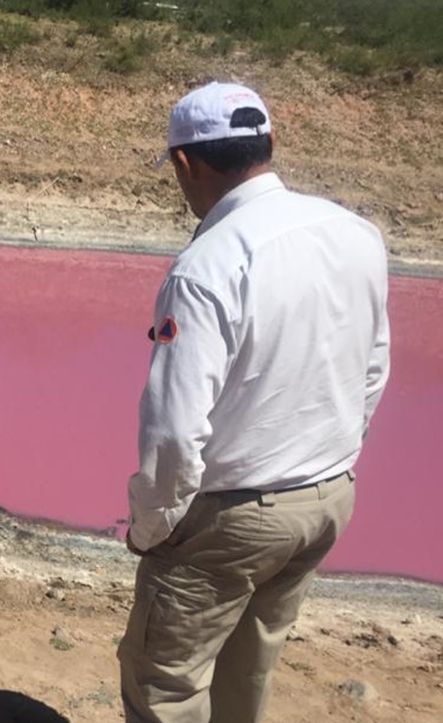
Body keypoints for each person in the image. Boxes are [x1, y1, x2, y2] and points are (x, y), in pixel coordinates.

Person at [118, 82, 391, 723]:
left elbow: (174, 428)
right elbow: (374, 368)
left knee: (166, 686)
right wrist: (335, 462)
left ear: (186, 163)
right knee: (249, 672)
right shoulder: (353, 232)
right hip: (326, 498)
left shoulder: (207, 266)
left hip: (232, 514)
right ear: (266, 145)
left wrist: (153, 527)